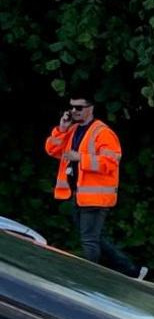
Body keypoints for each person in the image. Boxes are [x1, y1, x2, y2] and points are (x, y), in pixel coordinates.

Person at [43, 95, 144, 278]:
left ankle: (90, 277)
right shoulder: (72, 130)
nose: (74, 111)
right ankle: (130, 270)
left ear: (90, 108)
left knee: (89, 240)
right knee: (94, 238)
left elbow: (111, 162)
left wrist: (81, 158)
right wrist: (61, 129)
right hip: (78, 194)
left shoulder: (102, 133)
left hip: (95, 196)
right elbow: (53, 150)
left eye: (79, 108)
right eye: (72, 107)